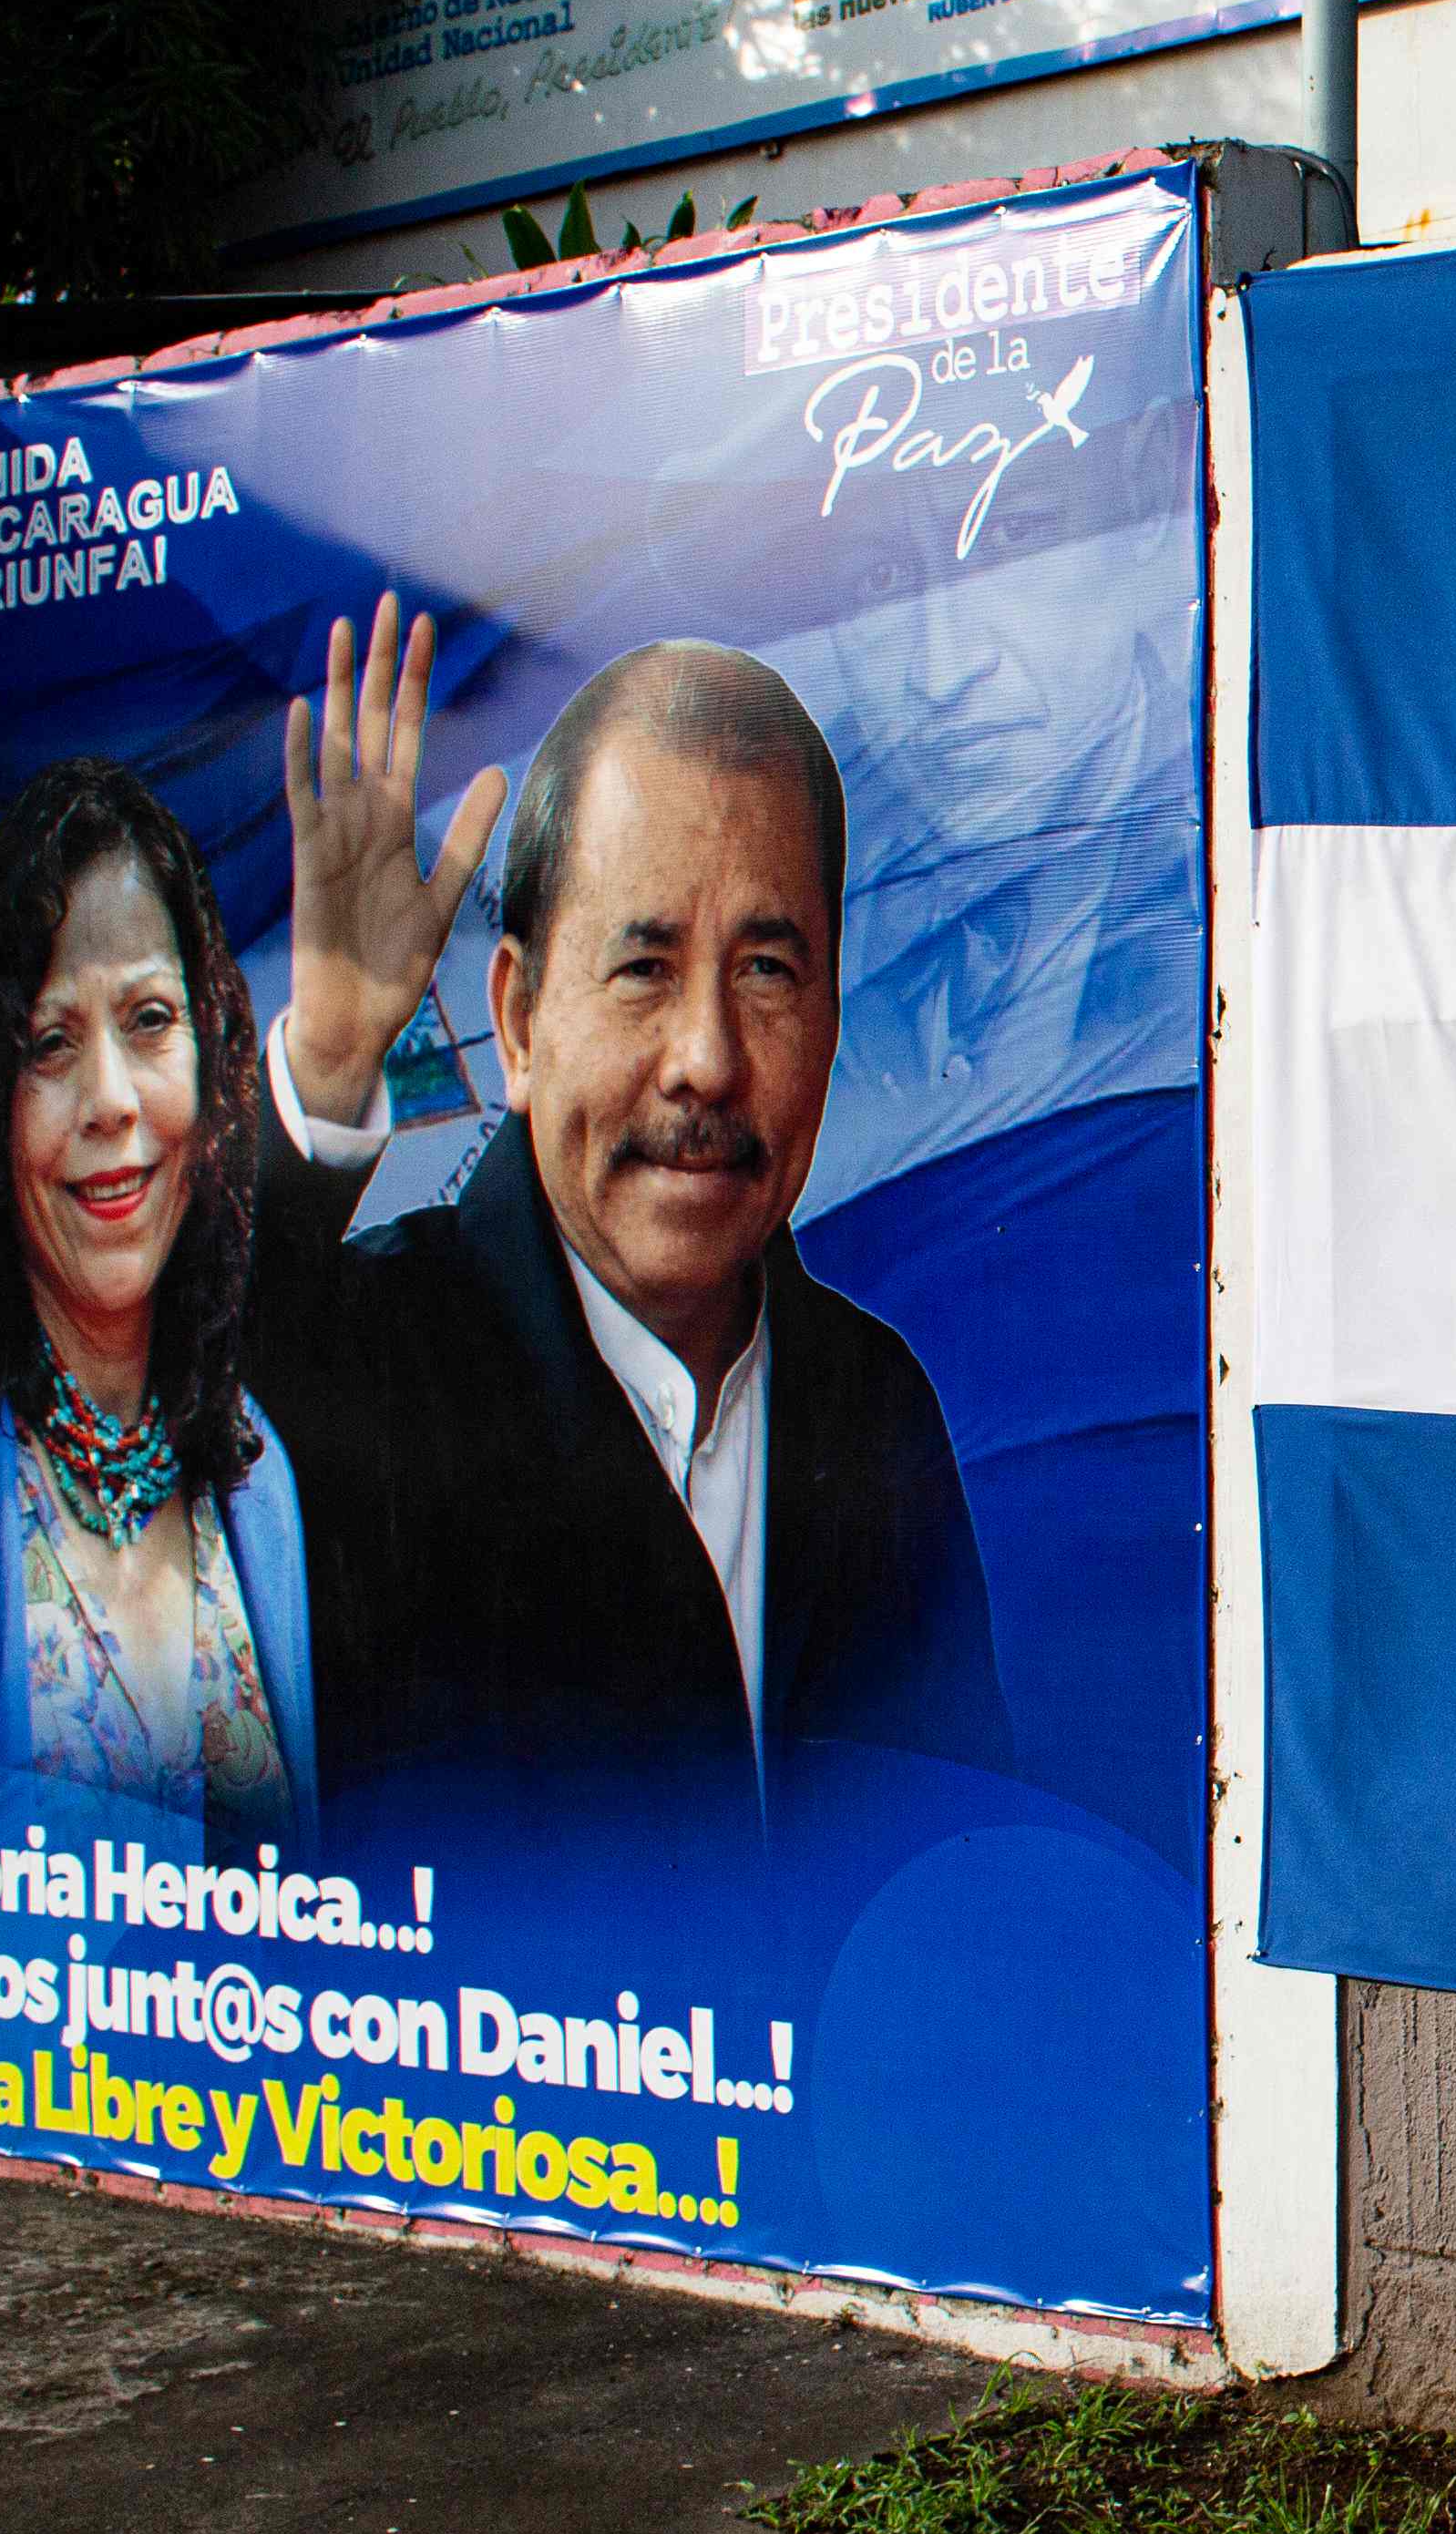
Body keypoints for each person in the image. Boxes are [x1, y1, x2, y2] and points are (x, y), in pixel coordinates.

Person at [248, 591, 1011, 1862]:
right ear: (518, 1020)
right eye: (643, 968)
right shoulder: (370, 1368)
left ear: (831, 1013)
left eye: (766, 971)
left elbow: (951, 1878)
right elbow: (139, 1419)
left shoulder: (872, 1406)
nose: (706, 1059)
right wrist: (329, 1063)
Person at [0, 761, 315, 1845]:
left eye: (149, 1020)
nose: (111, 1101)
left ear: (211, 1062)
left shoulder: (254, 1474)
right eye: (50, 1044)